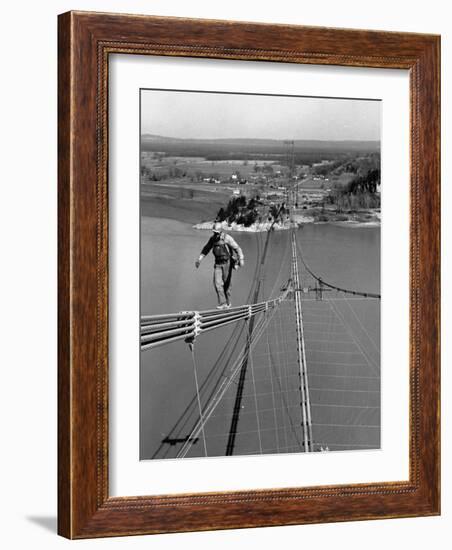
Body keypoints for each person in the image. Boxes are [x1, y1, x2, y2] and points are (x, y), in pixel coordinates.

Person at [195, 222, 244, 309]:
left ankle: (228, 303)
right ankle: (222, 303)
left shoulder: (227, 238)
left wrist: (241, 260)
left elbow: (237, 248)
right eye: (214, 232)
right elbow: (206, 249)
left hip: (227, 264)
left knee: (227, 285)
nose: (215, 234)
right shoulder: (212, 239)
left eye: (216, 233)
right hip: (217, 264)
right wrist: (199, 259)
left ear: (221, 232)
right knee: (217, 284)